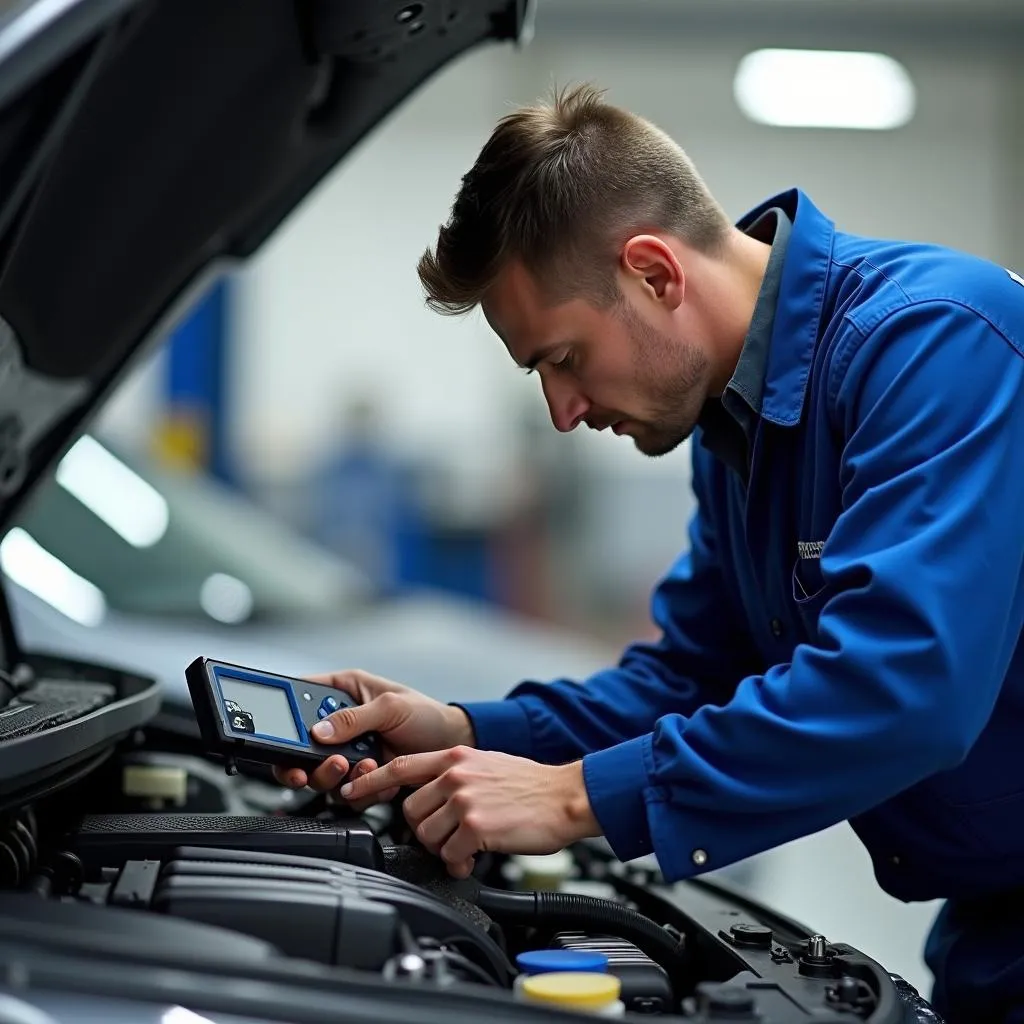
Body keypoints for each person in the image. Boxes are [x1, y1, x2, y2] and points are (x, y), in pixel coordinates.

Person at [275, 85, 1024, 1022]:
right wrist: (468, 732)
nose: (562, 410)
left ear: (654, 274)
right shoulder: (737, 425)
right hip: (992, 936)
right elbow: (692, 677)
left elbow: (907, 689)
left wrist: (576, 797)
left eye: (564, 358)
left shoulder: (934, 344)